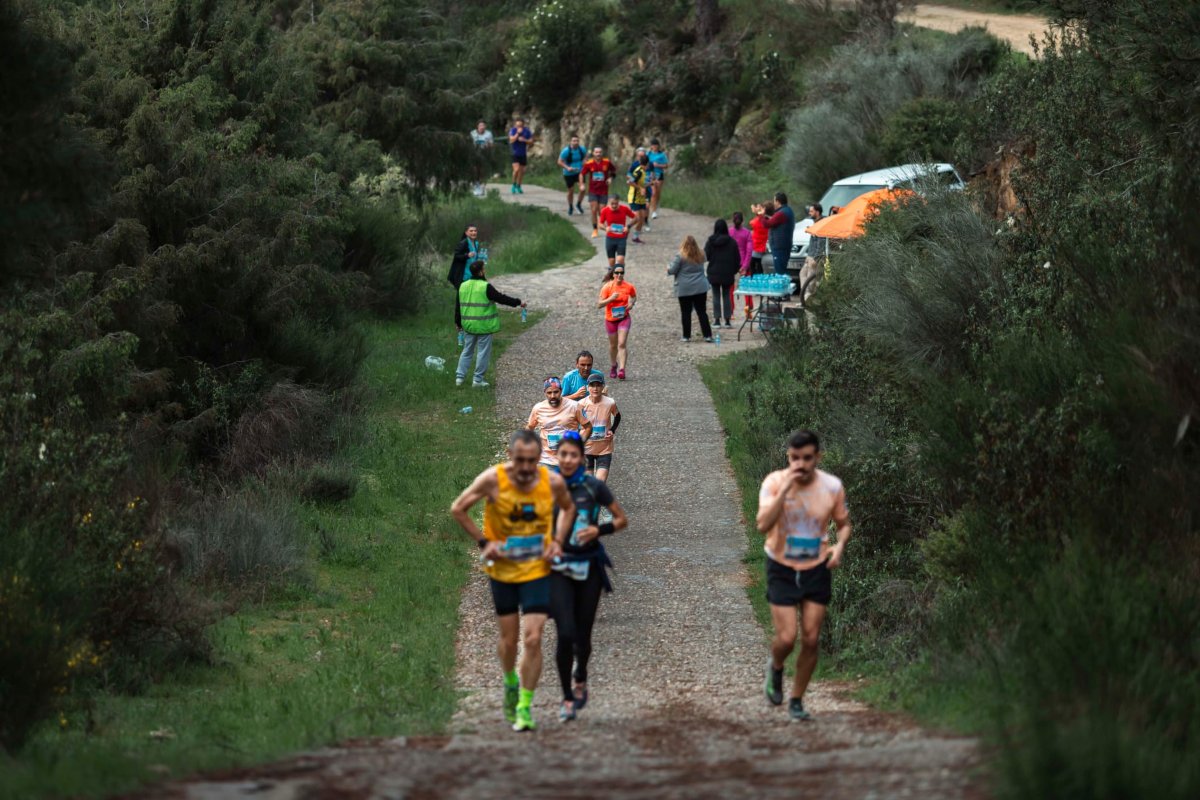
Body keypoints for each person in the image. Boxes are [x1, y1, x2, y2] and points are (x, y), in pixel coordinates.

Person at [450, 430, 574, 732]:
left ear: (539, 457)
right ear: (510, 456)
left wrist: (558, 540)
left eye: (532, 461)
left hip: (536, 571)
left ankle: (524, 706)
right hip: (502, 572)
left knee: (533, 638)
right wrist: (484, 543)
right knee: (508, 641)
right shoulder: (493, 479)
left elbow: (569, 508)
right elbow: (458, 508)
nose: (525, 467)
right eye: (519, 460)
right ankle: (509, 681)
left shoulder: (551, 481)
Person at [756, 429, 851, 722]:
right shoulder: (774, 482)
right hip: (781, 566)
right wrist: (786, 490)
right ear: (788, 457)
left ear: (817, 457)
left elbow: (844, 523)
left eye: (807, 458)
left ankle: (796, 699)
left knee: (811, 638)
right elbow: (762, 524)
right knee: (787, 637)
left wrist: (839, 546)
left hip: (816, 567)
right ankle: (776, 666)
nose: (801, 464)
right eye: (795, 458)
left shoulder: (832, 486)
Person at [548, 431, 628, 722]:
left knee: (582, 636)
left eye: (573, 455)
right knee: (564, 633)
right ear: (556, 456)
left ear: (582, 458)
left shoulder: (594, 487)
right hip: (558, 567)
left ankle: (580, 673)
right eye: (563, 454)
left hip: (589, 566)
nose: (568, 460)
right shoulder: (547, 487)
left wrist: (598, 530)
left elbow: (621, 519)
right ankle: (567, 697)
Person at [456, 261, 525, 388]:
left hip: (468, 325)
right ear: (481, 271)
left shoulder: (463, 286)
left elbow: (458, 305)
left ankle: (459, 378)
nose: (485, 271)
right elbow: (501, 298)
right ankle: (477, 380)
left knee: (467, 351)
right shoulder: (485, 286)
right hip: (483, 325)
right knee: (482, 352)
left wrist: (458, 322)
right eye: (484, 269)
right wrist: (518, 302)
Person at [527, 377, 592, 469]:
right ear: (544, 392)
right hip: (546, 459)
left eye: (556, 392)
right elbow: (529, 428)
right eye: (549, 393)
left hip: (569, 459)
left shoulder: (574, 406)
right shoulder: (538, 408)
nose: (553, 396)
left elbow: (588, 427)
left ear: (561, 391)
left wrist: (581, 443)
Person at [668, 235, 714, 343]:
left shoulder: (680, 256)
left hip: (685, 288)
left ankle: (686, 336)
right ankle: (707, 335)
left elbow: (672, 270)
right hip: (700, 287)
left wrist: (668, 267)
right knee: (702, 312)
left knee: (685, 312)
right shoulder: (702, 254)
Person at [597, 265, 636, 380]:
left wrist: (631, 304)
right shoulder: (607, 287)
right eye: (617, 273)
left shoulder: (629, 286)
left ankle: (622, 370)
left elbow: (634, 297)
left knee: (622, 343)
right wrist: (611, 299)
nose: (619, 275)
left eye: (621, 273)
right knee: (613, 345)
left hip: (624, 318)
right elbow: (599, 304)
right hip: (610, 320)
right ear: (613, 274)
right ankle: (614, 365)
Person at [578, 374, 619, 481]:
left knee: (600, 483)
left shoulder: (610, 402)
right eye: (592, 385)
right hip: (586, 450)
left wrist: (612, 430)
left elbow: (617, 416)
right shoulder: (581, 404)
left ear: (602, 387)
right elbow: (575, 423)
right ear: (588, 387)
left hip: (604, 449)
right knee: (588, 484)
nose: (595, 388)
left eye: (598, 385)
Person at [704, 218, 741, 329]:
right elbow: (737, 259)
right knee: (726, 296)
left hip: (714, 272)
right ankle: (728, 320)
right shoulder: (732, 242)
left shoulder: (710, 241)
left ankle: (716, 320)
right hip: (727, 273)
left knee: (716, 296)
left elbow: (706, 256)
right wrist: (733, 271)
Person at [598, 195, 639, 273]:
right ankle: (611, 278)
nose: (614, 206)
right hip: (610, 238)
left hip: (621, 238)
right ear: (609, 203)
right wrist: (605, 228)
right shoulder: (605, 211)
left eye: (616, 204)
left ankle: (620, 277)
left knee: (620, 259)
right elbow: (600, 224)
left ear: (618, 202)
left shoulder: (624, 209)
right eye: (612, 203)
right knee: (612, 261)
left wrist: (628, 226)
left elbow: (636, 218)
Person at [582, 147, 616, 238]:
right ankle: (595, 229)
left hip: (603, 190)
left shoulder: (607, 162)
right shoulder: (589, 163)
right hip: (593, 191)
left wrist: (610, 178)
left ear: (602, 153)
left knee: (602, 212)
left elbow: (614, 171)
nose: (598, 154)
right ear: (593, 153)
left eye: (600, 152)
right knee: (593, 210)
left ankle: (603, 226)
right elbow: (582, 174)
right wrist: (582, 184)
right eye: (596, 152)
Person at [764, 191, 796, 276]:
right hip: (782, 246)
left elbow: (768, 224)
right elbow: (774, 221)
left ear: (778, 202)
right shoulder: (786, 210)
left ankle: (783, 288)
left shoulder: (782, 213)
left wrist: (761, 216)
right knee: (782, 270)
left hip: (780, 247)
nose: (773, 203)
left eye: (774, 201)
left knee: (780, 272)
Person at [799, 203, 827, 302]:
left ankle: (809, 300)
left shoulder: (822, 223)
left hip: (816, 257)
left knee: (812, 281)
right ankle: (805, 297)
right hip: (810, 256)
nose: (809, 213)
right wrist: (808, 256)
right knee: (802, 274)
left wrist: (816, 257)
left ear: (817, 212)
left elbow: (821, 242)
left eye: (811, 211)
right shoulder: (815, 222)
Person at [730, 211, 754, 317]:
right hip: (743, 262)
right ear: (743, 221)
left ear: (732, 220)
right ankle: (748, 310)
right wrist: (745, 266)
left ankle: (730, 312)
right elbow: (749, 251)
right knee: (747, 288)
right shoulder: (747, 233)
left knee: (730, 288)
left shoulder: (729, 232)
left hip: (731, 263)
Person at [625, 152, 651, 244]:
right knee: (637, 217)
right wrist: (640, 188)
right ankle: (626, 229)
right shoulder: (639, 171)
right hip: (634, 197)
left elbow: (641, 185)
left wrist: (650, 184)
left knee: (643, 218)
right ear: (647, 164)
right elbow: (629, 182)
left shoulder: (643, 172)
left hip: (641, 198)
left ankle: (635, 237)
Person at [558, 135, 587, 215]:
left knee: (582, 189)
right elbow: (559, 161)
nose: (575, 142)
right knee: (571, 191)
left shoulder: (582, 149)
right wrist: (567, 168)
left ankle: (578, 204)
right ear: (570, 142)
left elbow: (585, 156)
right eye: (574, 141)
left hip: (580, 172)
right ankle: (570, 206)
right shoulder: (566, 151)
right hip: (569, 173)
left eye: (577, 141)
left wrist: (584, 162)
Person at [749, 200, 774, 278]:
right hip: (762, 246)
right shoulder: (770, 219)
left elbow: (753, 223)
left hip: (758, 247)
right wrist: (757, 212)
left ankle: (756, 282)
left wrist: (758, 212)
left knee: (755, 266)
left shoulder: (762, 220)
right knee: (760, 266)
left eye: (761, 208)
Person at [508, 118, 533, 194]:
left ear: (523, 125)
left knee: (521, 172)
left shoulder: (527, 131)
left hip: (523, 153)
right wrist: (517, 134)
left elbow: (531, 141)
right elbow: (511, 140)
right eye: (518, 125)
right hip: (515, 153)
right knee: (516, 170)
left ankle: (518, 186)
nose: (519, 127)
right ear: (515, 125)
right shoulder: (513, 130)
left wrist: (525, 140)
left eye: (521, 125)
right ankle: (513, 185)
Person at [470, 121, 494, 196]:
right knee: (475, 169)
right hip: (475, 154)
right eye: (480, 125)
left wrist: (488, 145)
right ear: (477, 126)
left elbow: (492, 144)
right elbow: (469, 143)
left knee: (482, 170)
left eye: (483, 125)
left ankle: (481, 186)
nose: (482, 127)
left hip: (484, 154)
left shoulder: (488, 134)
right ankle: (475, 185)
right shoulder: (473, 133)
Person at [647, 139, 669, 219]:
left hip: (659, 175)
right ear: (651, 146)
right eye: (653, 145)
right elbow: (644, 163)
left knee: (658, 193)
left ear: (658, 146)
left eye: (656, 145)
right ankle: (654, 211)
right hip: (650, 175)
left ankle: (657, 203)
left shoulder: (662, 155)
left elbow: (666, 165)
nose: (654, 147)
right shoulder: (648, 154)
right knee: (653, 192)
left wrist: (658, 165)